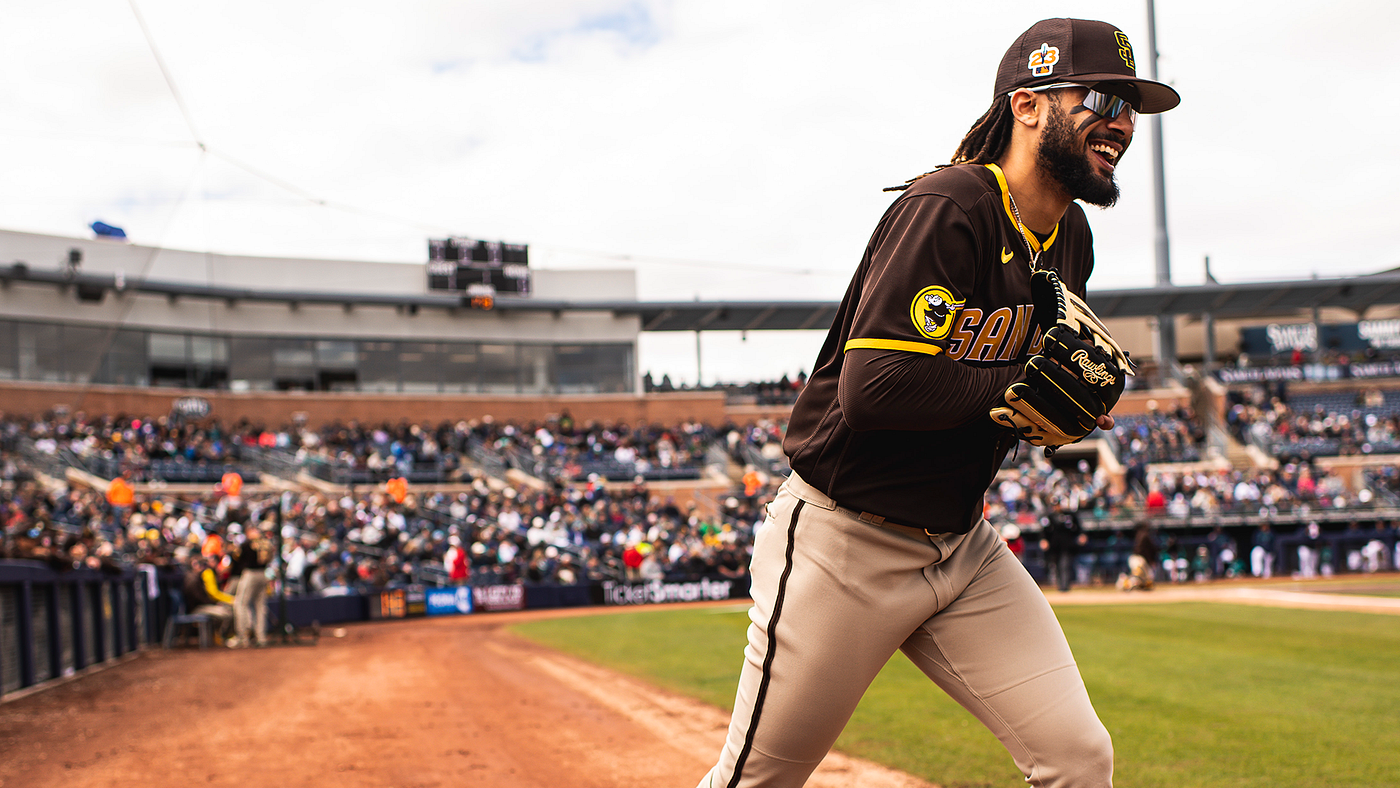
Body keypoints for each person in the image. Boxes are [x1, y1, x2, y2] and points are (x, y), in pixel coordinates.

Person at [696, 18, 1178, 788]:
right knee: (757, 781)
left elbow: (1026, 393)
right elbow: (874, 391)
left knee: (1078, 759)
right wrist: (1023, 383)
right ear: (1026, 105)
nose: (1119, 121)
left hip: (964, 546)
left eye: (1130, 106)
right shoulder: (950, 205)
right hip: (845, 543)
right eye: (1098, 96)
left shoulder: (1071, 237)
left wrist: (1068, 415)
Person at [231, 522, 273, 648]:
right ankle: (261, 637)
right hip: (263, 574)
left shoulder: (246, 544)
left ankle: (242, 637)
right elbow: (270, 557)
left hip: (250, 574)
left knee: (240, 604)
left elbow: (236, 557)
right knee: (260, 606)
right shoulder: (266, 542)